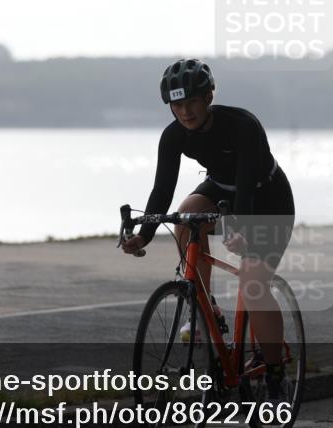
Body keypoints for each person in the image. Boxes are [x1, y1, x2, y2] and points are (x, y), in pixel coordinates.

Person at [121, 58, 295, 402]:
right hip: (220, 189)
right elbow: (162, 190)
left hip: (266, 198)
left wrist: (241, 229)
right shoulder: (173, 136)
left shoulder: (242, 125)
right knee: (185, 215)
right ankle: (204, 308)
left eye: (191, 103)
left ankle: (275, 373)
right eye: (176, 105)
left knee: (254, 281)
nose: (184, 112)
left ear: (209, 97)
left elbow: (245, 188)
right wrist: (144, 235)